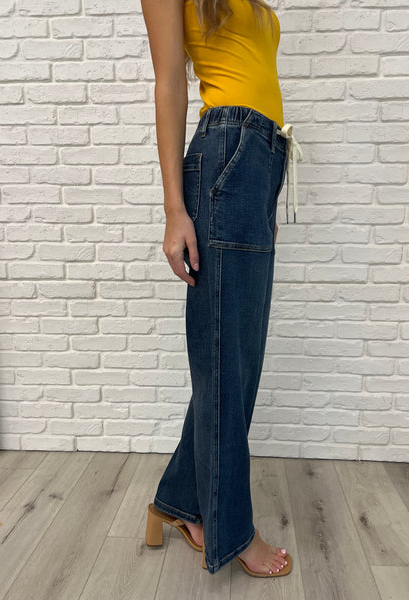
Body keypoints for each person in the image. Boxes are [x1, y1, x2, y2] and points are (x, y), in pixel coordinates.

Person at [142, 0, 302, 577]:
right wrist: (174, 211)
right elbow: (169, 83)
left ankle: (179, 501)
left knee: (237, 358)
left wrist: (265, 196)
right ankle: (232, 532)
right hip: (227, 154)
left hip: (259, 162)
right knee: (226, 364)